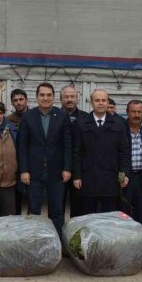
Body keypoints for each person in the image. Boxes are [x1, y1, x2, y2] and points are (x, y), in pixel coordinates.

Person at [19, 82, 72, 232]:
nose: (45, 98)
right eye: (42, 95)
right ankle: (33, 242)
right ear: (36, 97)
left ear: (54, 97)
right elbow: (22, 146)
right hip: (33, 173)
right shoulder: (28, 117)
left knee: (57, 211)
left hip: (57, 172)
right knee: (33, 210)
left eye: (49, 95)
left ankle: (57, 244)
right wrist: (24, 170)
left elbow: (68, 145)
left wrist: (67, 168)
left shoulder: (62, 116)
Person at [73, 89, 130, 214]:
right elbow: (77, 152)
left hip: (111, 179)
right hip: (88, 178)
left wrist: (124, 174)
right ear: (91, 103)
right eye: (97, 100)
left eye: (103, 100)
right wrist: (77, 176)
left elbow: (124, 152)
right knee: (88, 215)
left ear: (107, 102)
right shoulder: (81, 123)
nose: (100, 103)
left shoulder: (118, 123)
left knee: (109, 217)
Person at [121, 100, 142, 226]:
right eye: (133, 112)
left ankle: (141, 240)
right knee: (124, 212)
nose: (136, 115)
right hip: (125, 176)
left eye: (139, 112)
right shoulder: (120, 129)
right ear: (127, 113)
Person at [60, 85, 88, 217]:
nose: (69, 99)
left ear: (78, 99)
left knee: (79, 208)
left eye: (72, 97)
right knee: (57, 207)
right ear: (61, 100)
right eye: (66, 97)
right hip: (59, 169)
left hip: (80, 170)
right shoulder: (55, 116)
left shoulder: (86, 118)